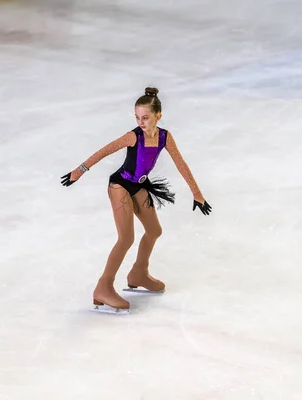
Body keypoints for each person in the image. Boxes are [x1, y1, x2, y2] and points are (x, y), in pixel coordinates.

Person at [61, 87, 212, 314]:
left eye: (146, 117)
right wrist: (79, 171)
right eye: (137, 117)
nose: (141, 122)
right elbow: (104, 151)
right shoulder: (134, 136)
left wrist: (197, 193)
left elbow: (181, 165)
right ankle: (103, 287)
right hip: (120, 185)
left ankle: (139, 273)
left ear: (158, 116)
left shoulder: (164, 137)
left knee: (154, 231)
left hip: (139, 185)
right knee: (126, 238)